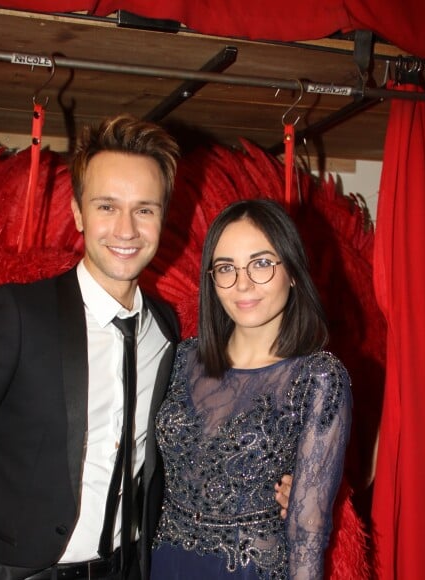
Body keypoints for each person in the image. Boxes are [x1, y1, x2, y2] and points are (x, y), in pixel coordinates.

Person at [0, 116, 292, 580]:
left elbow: (182, 449)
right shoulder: (16, 315)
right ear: (79, 212)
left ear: (165, 217)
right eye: (107, 206)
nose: (126, 229)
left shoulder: (167, 331)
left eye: (144, 209)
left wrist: (280, 487)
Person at [150, 199, 352, 579]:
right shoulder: (180, 358)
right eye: (226, 268)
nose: (242, 284)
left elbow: (308, 529)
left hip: (248, 570)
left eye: (261, 263)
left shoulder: (319, 377)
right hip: (164, 562)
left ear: (292, 271)